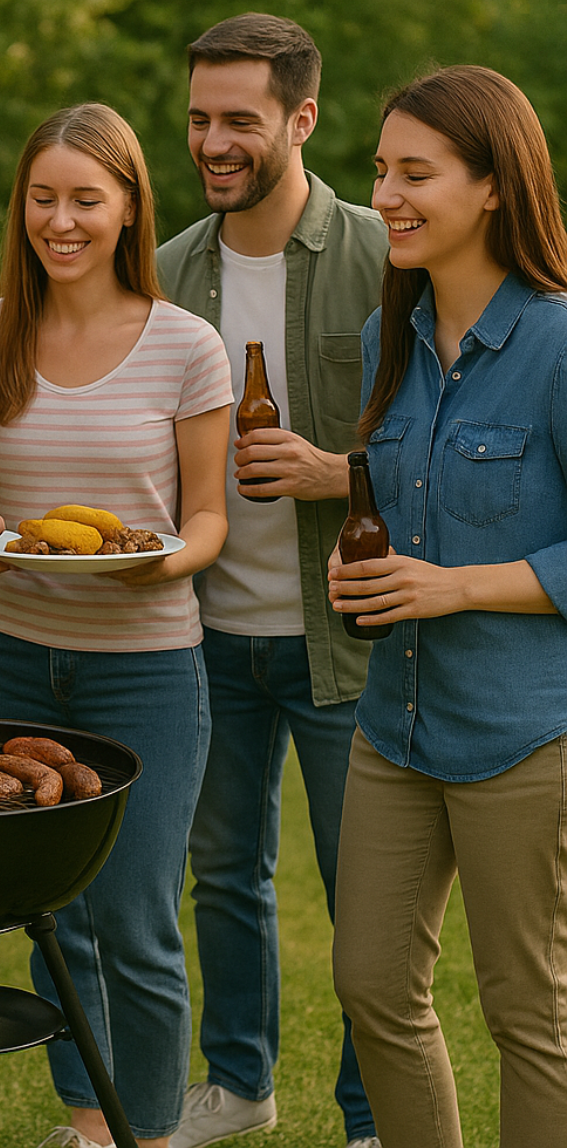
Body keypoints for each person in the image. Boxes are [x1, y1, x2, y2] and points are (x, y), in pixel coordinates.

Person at [0, 102, 232, 1148]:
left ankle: (149, 1130)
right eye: (43, 198)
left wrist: (156, 563)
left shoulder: (184, 346)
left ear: (126, 211)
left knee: (140, 922)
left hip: (147, 669)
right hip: (15, 660)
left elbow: (207, 519)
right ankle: (87, 1124)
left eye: (85, 200)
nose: (60, 222)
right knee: (55, 916)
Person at [155, 13, 386, 1148]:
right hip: (202, 641)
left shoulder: (384, 253)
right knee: (224, 878)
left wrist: (337, 471)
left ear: (300, 118)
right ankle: (239, 1084)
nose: (213, 142)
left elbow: (453, 436)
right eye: (199, 118)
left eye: (239, 120)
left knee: (367, 900)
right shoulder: (166, 272)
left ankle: (369, 1114)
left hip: (345, 641)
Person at [329, 64, 567, 1148]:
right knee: (372, 986)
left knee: (532, 1015)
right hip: (398, 723)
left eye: (415, 172)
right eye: (381, 169)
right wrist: (362, 573)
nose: (384, 194)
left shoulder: (559, 344)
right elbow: (401, 508)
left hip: (529, 736)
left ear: (494, 188)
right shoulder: (394, 337)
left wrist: (454, 586)